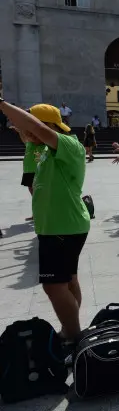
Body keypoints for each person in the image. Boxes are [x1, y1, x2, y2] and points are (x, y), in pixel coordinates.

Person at [0, 101, 90, 341]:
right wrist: (22, 129)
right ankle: (71, 327)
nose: (25, 133)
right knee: (68, 279)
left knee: (53, 285)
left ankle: (72, 335)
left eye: (28, 128)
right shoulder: (46, 150)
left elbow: (36, 130)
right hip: (59, 225)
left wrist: (2, 104)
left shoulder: (70, 145)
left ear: (46, 126)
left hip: (62, 226)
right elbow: (31, 134)